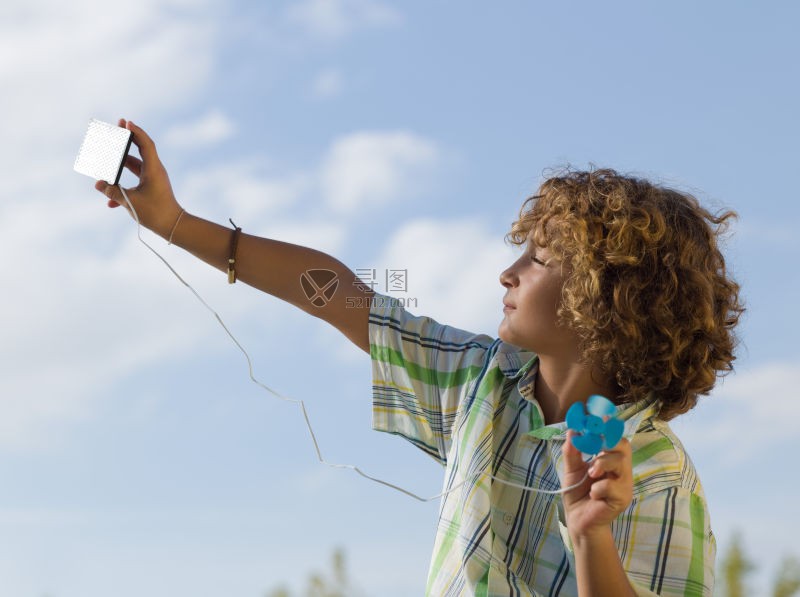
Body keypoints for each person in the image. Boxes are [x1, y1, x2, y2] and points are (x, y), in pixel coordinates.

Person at [96, 119, 743, 596]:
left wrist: (590, 536)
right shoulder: (482, 383)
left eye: (538, 258)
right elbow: (338, 297)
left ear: (605, 301)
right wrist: (173, 220)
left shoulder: (658, 472)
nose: (507, 272)